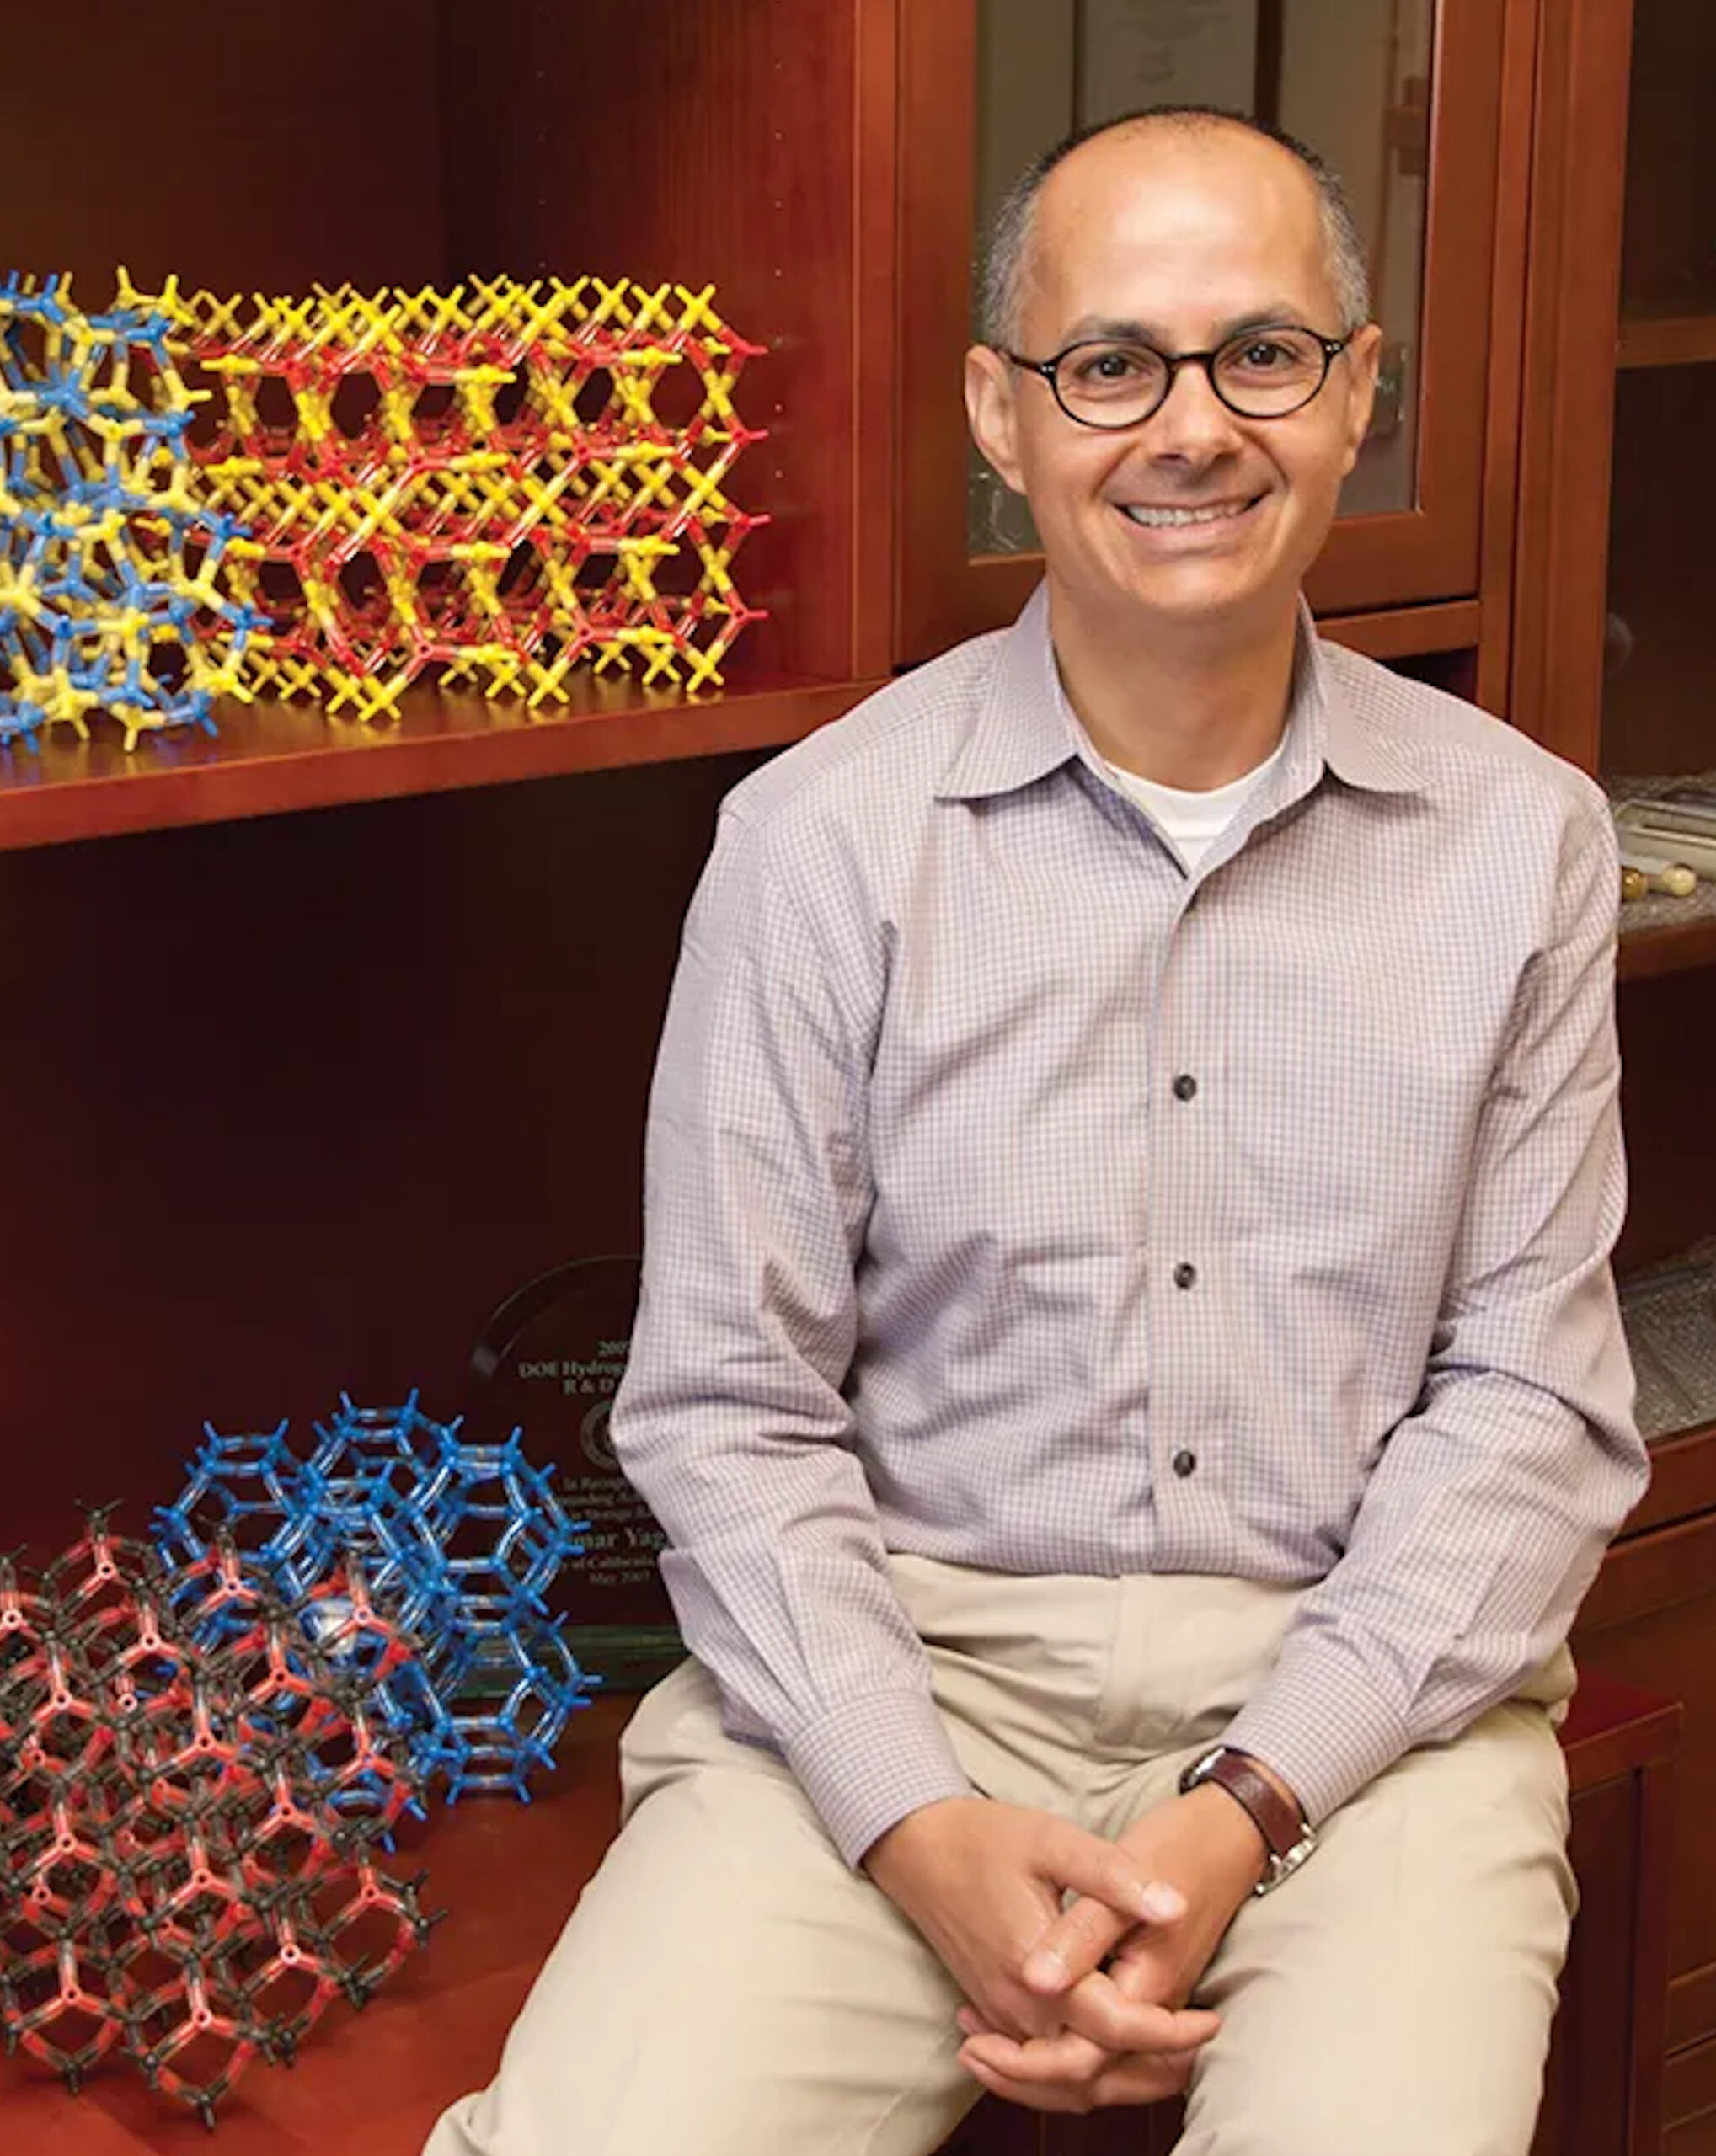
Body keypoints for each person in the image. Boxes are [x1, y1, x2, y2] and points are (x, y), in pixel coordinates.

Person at [425, 103, 1646, 2156]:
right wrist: (911, 1816)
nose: (1191, 427)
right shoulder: (815, 842)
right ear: (1001, 412)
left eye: (1263, 353)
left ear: (1360, 395)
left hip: (1365, 1702)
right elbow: (725, 1399)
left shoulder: (1519, 840)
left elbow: (1529, 1398)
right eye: (1110, 365)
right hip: (901, 1663)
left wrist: (1249, 1799)